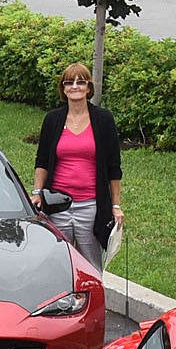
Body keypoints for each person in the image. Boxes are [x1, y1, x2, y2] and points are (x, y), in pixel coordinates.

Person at [32, 62, 124, 270]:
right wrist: (37, 192)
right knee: (57, 265)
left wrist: (115, 206)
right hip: (57, 205)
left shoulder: (103, 119)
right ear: (63, 89)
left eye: (81, 82)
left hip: (91, 206)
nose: (75, 86)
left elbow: (114, 166)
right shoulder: (53, 119)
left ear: (88, 87)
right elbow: (42, 161)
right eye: (69, 82)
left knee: (89, 268)